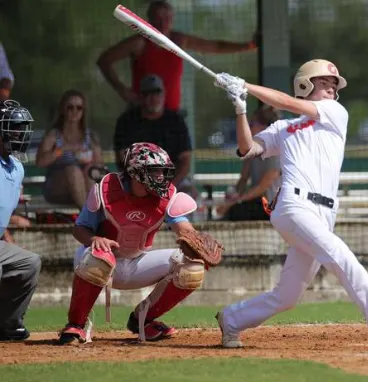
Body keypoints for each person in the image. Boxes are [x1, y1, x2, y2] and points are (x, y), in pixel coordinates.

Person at [213, 59, 368, 348]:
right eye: (324, 82)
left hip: (325, 212)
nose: (331, 88)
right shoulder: (282, 127)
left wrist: (246, 86)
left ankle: (233, 319)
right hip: (294, 206)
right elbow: (247, 148)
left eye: (333, 84)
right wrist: (240, 107)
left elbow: (287, 102)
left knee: (288, 296)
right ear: (306, 85)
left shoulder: (335, 113)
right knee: (342, 257)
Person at [58, 142, 222, 344]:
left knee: (192, 268)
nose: (160, 176)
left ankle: (142, 320)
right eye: (154, 171)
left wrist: (196, 241)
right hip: (100, 260)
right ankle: (76, 324)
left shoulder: (167, 195)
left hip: (137, 262)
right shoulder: (106, 190)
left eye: (162, 171)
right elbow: (79, 228)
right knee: (98, 259)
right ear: (136, 172)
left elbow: (183, 228)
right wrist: (94, 239)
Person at [97, 0, 257, 111]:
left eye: (167, 18)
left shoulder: (179, 41)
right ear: (149, 21)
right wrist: (122, 89)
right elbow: (104, 60)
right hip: (142, 113)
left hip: (171, 113)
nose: (163, 23)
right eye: (158, 18)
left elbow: (215, 46)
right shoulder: (139, 42)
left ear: (172, 20)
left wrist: (248, 46)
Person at [0, 99, 41, 341]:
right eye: (12, 128)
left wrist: (8, 240)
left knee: (29, 263)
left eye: (21, 128)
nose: (18, 133)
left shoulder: (17, 168)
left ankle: (8, 323)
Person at [114, 75, 192, 192]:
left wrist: (169, 187)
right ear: (140, 96)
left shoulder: (176, 121)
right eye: (147, 94)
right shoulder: (126, 121)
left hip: (172, 180)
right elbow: (122, 157)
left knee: (188, 196)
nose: (153, 98)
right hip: (136, 180)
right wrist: (145, 184)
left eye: (157, 93)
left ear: (164, 94)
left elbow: (185, 160)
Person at [36, 89, 104, 210]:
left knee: (90, 170)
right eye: (70, 107)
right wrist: (62, 149)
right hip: (58, 187)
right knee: (72, 170)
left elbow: (100, 166)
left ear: (83, 111)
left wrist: (88, 160)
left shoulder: (90, 136)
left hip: (84, 185)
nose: (74, 111)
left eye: (79, 108)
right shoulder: (54, 135)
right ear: (63, 109)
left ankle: (91, 212)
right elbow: (40, 162)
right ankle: (89, 216)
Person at [216, 106, 281, 221]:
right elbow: (244, 178)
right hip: (256, 202)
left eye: (251, 125)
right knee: (233, 212)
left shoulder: (276, 152)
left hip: (273, 207)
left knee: (235, 212)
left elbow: (262, 187)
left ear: (264, 128)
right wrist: (233, 196)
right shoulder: (252, 149)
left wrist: (235, 202)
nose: (248, 128)